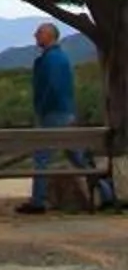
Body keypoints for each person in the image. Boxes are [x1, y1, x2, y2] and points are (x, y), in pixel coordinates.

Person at [19, 22, 118, 212]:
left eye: (39, 32)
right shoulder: (59, 58)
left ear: (50, 36)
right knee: (78, 157)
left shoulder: (51, 60)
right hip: (64, 112)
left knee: (41, 157)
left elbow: (52, 88)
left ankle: (37, 202)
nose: (35, 35)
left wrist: (42, 109)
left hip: (53, 114)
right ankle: (107, 194)